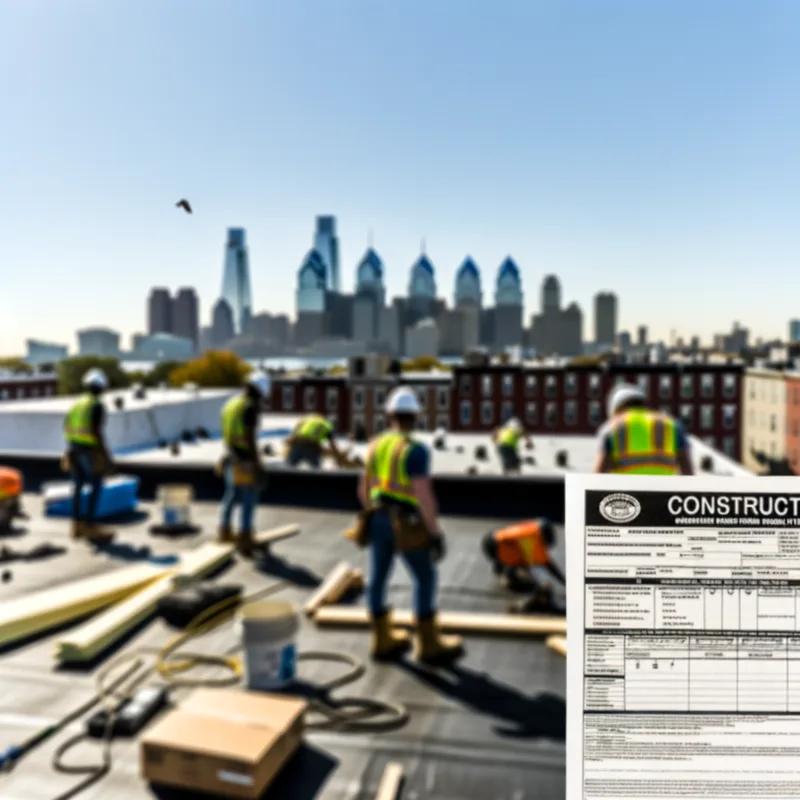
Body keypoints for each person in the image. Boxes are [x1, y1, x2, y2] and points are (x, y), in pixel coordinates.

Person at [356, 387, 463, 664]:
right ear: (416, 416)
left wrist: (370, 514)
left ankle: (381, 639)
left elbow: (363, 490)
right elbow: (424, 497)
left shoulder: (376, 445)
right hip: (407, 522)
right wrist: (435, 532)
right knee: (425, 577)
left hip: (378, 517)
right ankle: (428, 644)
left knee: (378, 576)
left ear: (390, 415)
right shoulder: (415, 451)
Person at [219, 371, 271, 556]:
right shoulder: (250, 407)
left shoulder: (231, 403)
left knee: (231, 495)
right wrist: (258, 464)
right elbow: (249, 438)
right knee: (249, 497)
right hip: (245, 458)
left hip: (230, 455)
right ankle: (245, 537)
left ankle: (224, 531)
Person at [594, 384, 693, 475]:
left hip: (627, 491)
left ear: (616, 409)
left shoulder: (611, 427)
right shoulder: (672, 425)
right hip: (665, 491)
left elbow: (599, 475)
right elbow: (687, 470)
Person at [63, 368, 114, 542]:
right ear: (101, 387)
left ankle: (76, 526)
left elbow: (66, 426)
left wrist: (70, 448)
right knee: (96, 485)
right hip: (89, 450)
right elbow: (96, 431)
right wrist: (105, 454)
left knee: (77, 487)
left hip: (73, 449)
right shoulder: (96, 405)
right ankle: (90, 526)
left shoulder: (77, 404)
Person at [482, 519, 565, 612]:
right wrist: (564, 581)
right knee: (525, 562)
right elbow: (547, 564)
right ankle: (508, 576)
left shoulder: (534, 528)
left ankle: (502, 569)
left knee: (520, 553)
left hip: (492, 539)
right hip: (494, 547)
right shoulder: (531, 538)